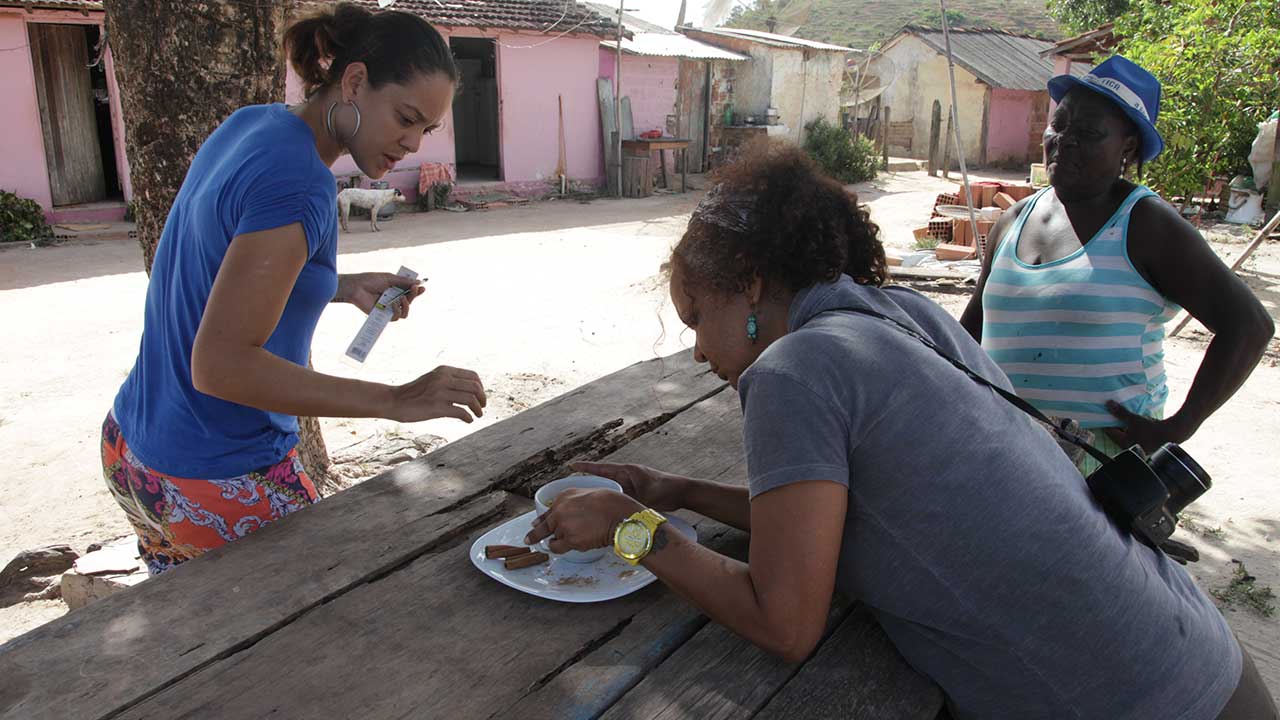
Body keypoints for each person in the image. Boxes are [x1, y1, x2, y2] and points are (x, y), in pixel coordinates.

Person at [527, 143, 1276, 719]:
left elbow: (785, 622)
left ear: (750, 282)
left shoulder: (793, 372)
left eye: (696, 317)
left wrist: (635, 528)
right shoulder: (897, 315)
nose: (695, 348)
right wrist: (673, 489)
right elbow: (837, 525)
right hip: (1201, 652)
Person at [103, 3, 487, 575]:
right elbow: (222, 366)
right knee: (305, 639)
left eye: (426, 129)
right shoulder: (303, 184)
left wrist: (339, 285)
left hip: (132, 446)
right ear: (355, 81)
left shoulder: (254, 125)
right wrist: (394, 400)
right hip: (218, 474)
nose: (413, 144)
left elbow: (216, 261)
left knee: (196, 643)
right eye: (406, 118)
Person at [959, 55, 1274, 474]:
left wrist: (1180, 425)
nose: (1065, 140)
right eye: (1060, 124)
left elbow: (1250, 326)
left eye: (1088, 132)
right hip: (1004, 449)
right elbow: (969, 336)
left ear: (1127, 147)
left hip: (1099, 463)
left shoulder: (1145, 225)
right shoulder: (1013, 221)